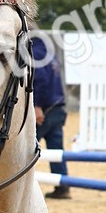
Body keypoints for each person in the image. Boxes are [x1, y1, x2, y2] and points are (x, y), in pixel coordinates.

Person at [31, 32, 71, 199]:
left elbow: (40, 80)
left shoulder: (36, 54)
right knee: (56, 150)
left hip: (44, 110)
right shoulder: (48, 54)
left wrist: (37, 105)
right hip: (57, 107)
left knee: (28, 150)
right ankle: (62, 186)